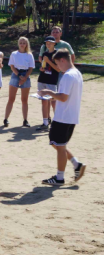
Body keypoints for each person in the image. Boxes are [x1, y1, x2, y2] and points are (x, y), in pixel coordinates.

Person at [38, 49, 86, 186]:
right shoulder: (77, 73)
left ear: (63, 60)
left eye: (58, 63)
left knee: (59, 146)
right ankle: (76, 164)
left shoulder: (68, 76)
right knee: (57, 143)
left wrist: (48, 92)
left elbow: (63, 97)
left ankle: (59, 177)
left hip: (63, 116)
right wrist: (53, 96)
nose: (58, 67)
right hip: (71, 116)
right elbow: (66, 96)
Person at [3, 37, 35, 127]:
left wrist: (25, 77)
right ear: (18, 44)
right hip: (16, 74)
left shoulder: (29, 55)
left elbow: (31, 68)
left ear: (26, 44)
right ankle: (6, 119)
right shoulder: (14, 54)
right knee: (11, 98)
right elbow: (12, 66)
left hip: (26, 75)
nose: (22, 44)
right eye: (20, 43)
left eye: (24, 43)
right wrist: (19, 75)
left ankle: (25, 120)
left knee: (24, 100)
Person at [36, 36, 60, 132]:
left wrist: (48, 61)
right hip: (42, 79)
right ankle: (45, 123)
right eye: (46, 43)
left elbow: (58, 69)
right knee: (44, 101)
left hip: (52, 80)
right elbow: (44, 66)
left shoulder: (57, 54)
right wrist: (42, 68)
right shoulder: (45, 53)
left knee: (53, 102)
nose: (48, 44)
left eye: (50, 42)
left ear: (54, 43)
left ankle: (57, 123)